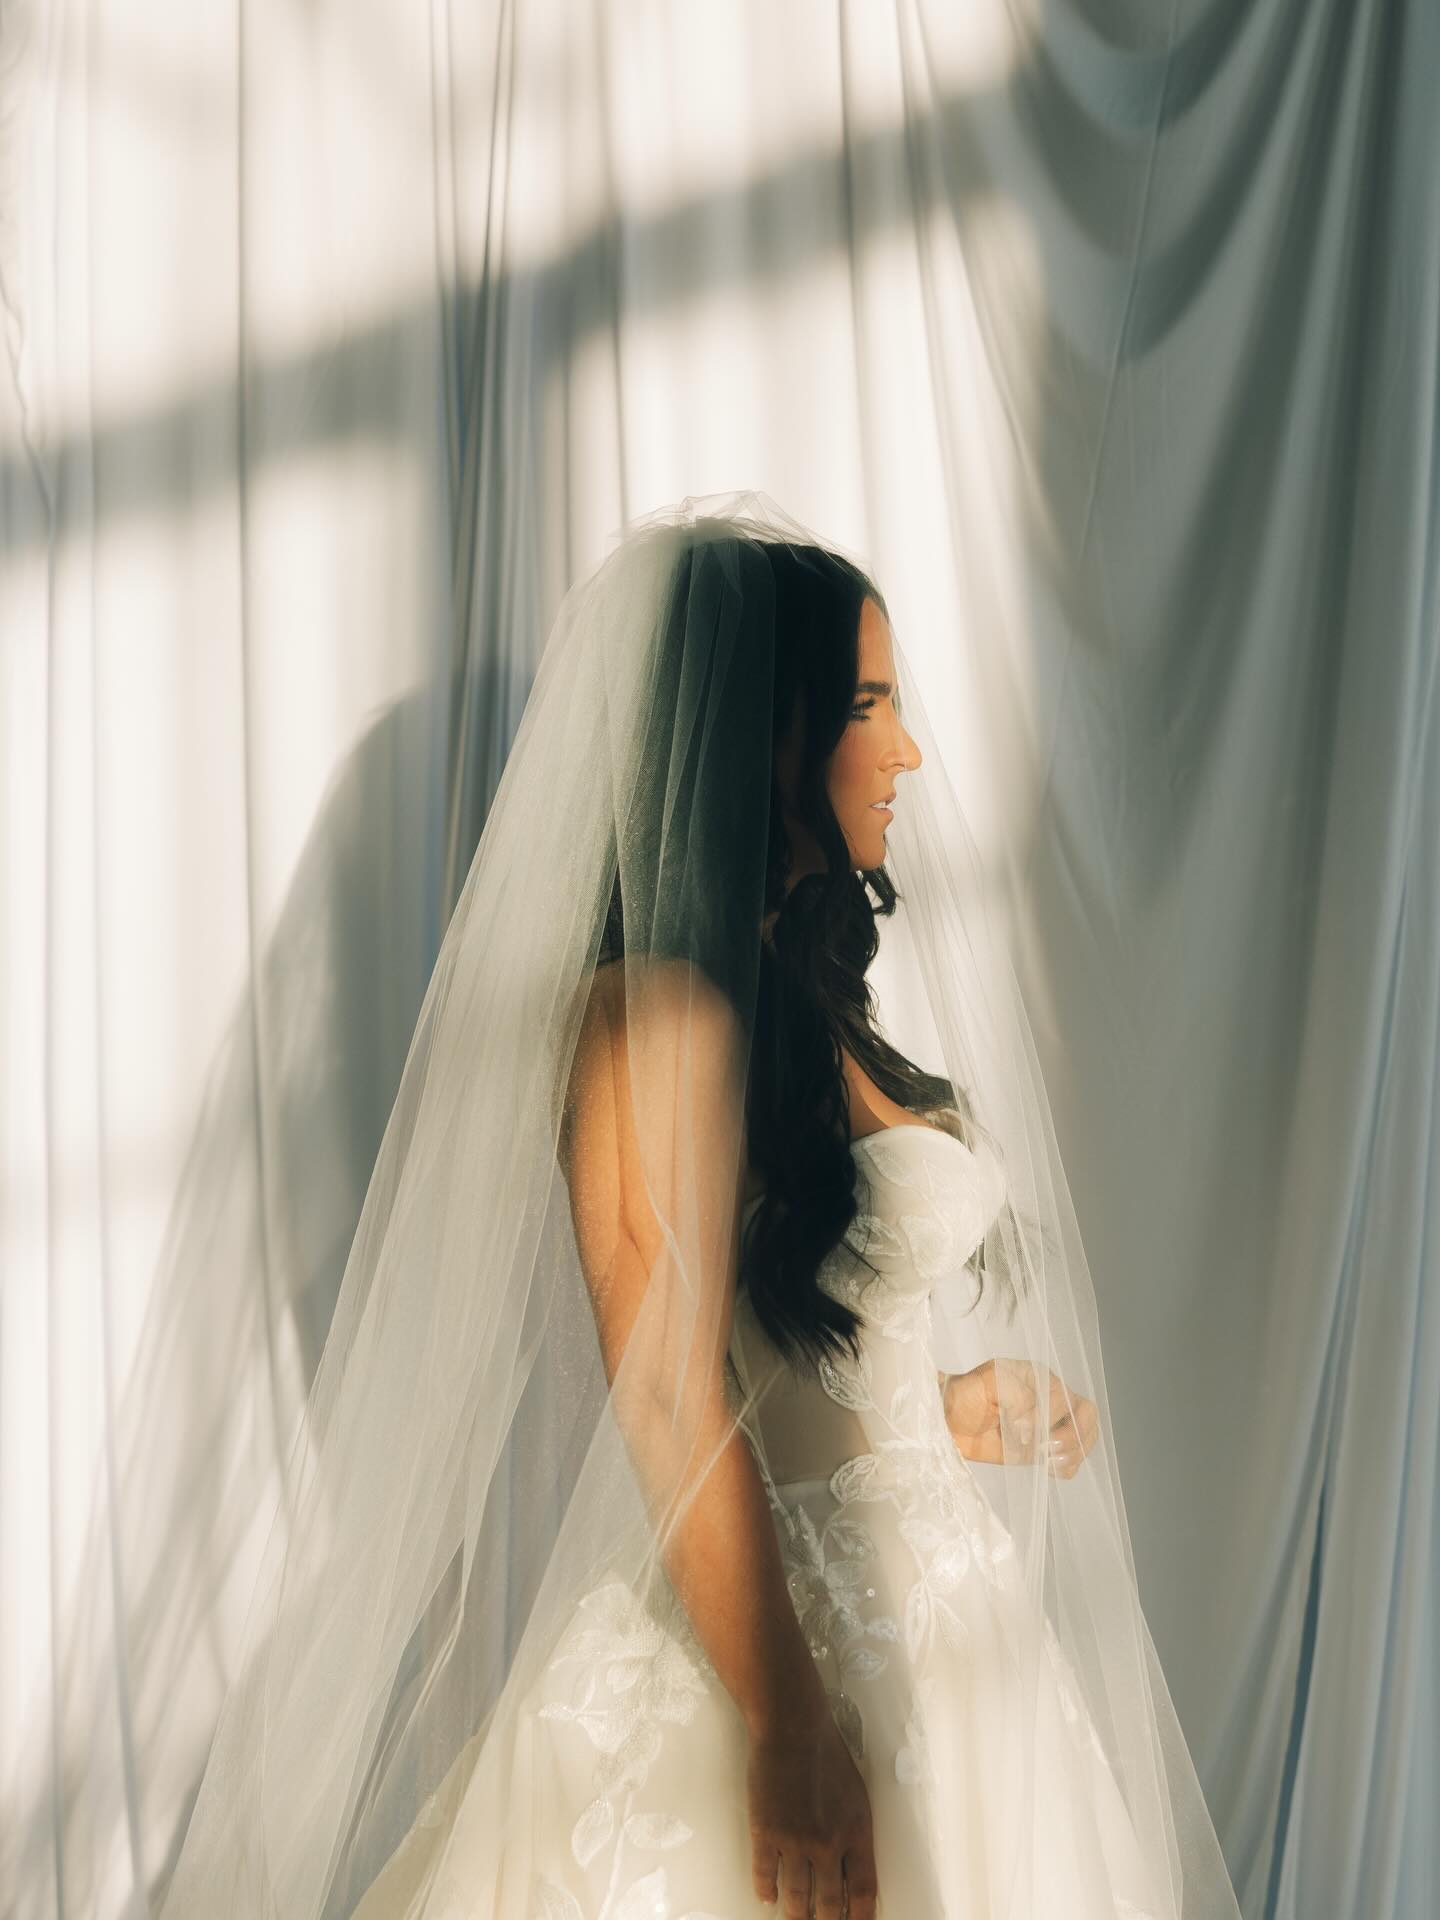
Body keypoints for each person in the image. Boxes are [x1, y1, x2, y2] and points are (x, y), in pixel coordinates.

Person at [158, 493, 1241, 1919]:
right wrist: (788, 1734)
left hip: (943, 1617)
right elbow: (666, 1390)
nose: (909, 748)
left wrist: (942, 1401)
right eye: (870, 707)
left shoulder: (805, 988)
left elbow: (784, 1330)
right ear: (772, 736)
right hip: (785, 1649)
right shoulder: (648, 1015)